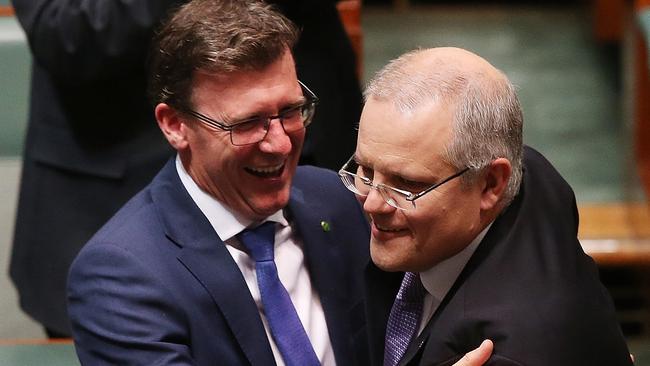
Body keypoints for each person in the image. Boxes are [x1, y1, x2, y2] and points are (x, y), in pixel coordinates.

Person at [67, 2, 492, 365]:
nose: (280, 142)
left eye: (291, 110)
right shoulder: (121, 278)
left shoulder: (338, 202)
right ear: (175, 125)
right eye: (248, 123)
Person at [9, 0, 361, 338]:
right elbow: (65, 32)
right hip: (110, 182)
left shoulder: (331, 199)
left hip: (315, 168)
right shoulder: (118, 272)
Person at [340, 47, 634, 365]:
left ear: (491, 184)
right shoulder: (532, 178)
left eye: (406, 184)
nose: (371, 203)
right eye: (365, 170)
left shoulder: (510, 355)